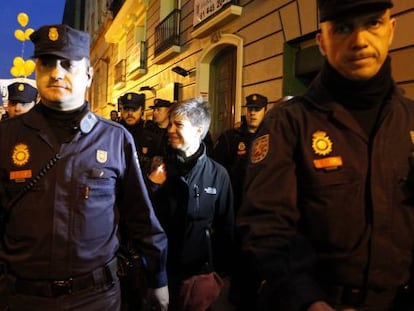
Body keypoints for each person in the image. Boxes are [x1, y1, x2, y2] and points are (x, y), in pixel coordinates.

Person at [237, 1, 414, 310]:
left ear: (391, 29)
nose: (359, 41)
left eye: (372, 23)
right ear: (321, 41)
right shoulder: (287, 123)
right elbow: (265, 226)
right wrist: (308, 300)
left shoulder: (411, 121)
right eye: (343, 28)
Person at [0, 24, 168, 311]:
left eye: (68, 64)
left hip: (95, 298)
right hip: (21, 298)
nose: (56, 73)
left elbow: (140, 216)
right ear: (36, 70)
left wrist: (158, 277)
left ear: (88, 75)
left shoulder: (115, 138)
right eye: (47, 63)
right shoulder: (7, 137)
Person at [148, 98, 234, 311]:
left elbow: (227, 229)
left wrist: (218, 276)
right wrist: (152, 186)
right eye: (170, 123)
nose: (170, 130)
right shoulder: (157, 169)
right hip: (160, 275)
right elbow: (141, 219)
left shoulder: (218, 175)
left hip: (199, 281)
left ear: (198, 130)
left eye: (178, 125)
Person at [213, 93, 268, 214]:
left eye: (257, 109)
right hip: (235, 202)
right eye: (250, 109)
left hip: (261, 204)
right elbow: (216, 168)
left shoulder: (272, 138)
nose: (252, 113)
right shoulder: (230, 137)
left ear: (265, 110)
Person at [118, 92, 161, 175]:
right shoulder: (113, 134)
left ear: (142, 110)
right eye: (126, 109)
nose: (130, 113)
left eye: (134, 109)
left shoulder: (151, 135)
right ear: (121, 110)